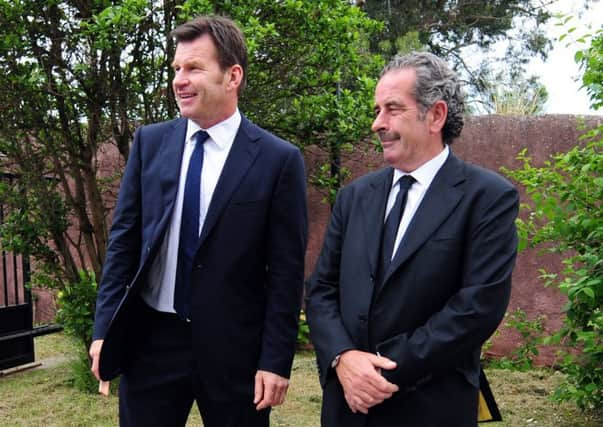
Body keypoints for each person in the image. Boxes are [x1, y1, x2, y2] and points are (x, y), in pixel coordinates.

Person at [89, 15, 308, 427]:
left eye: (194, 68)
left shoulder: (278, 160)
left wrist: (276, 360)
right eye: (176, 69)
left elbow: (286, 270)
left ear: (232, 76)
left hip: (234, 350)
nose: (180, 80)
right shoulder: (150, 143)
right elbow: (124, 240)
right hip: (151, 342)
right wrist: (104, 329)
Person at [305, 51, 518, 427]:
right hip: (347, 405)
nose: (377, 124)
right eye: (376, 110)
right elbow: (321, 289)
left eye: (392, 109)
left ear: (435, 115)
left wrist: (381, 371)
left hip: (430, 405)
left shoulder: (487, 198)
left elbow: (477, 308)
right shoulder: (353, 197)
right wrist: (343, 357)